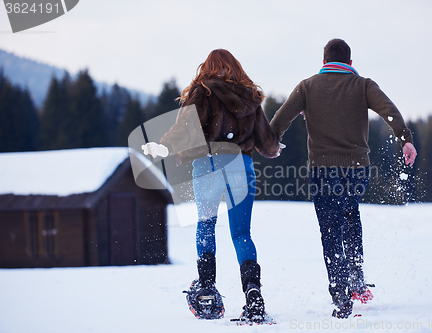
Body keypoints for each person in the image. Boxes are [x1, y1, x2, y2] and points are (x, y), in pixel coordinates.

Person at [269, 38, 417, 319]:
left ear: (324, 62)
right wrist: (405, 140)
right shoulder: (363, 85)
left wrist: (271, 142)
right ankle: (356, 278)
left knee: (330, 229)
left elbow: (281, 117)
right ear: (350, 63)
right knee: (350, 214)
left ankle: (341, 295)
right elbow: (389, 110)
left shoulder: (307, 86)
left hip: (323, 170)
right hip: (358, 169)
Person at [142, 49, 281, 322]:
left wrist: (163, 146)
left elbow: (183, 128)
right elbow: (267, 142)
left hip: (207, 164)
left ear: (206, 67)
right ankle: (253, 295)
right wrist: (275, 148)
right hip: (241, 165)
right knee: (242, 233)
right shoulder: (249, 96)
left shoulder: (201, 91)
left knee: (206, 225)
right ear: (235, 67)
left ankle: (206, 289)